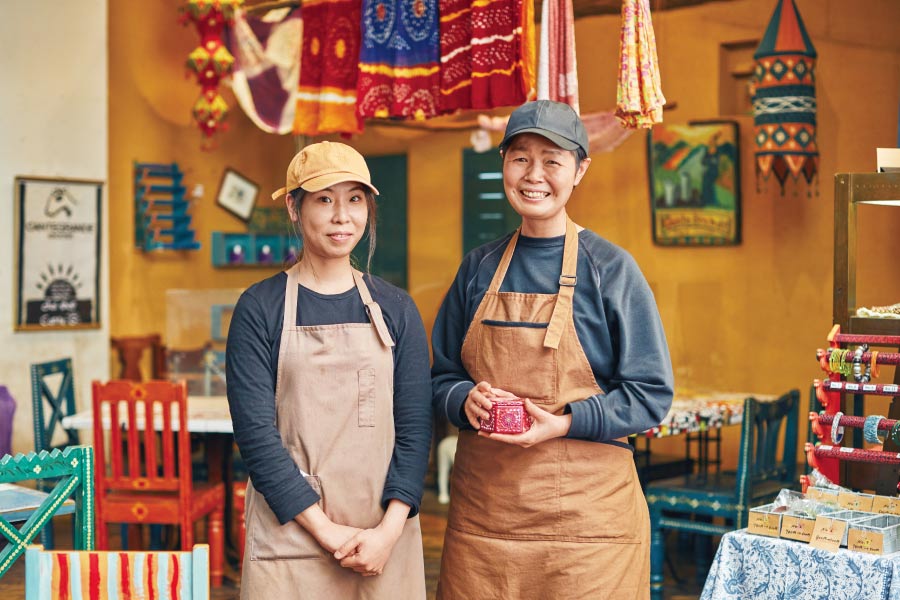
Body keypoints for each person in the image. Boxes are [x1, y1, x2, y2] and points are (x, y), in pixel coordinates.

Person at [431, 100, 674, 599]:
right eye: (520, 158)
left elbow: (651, 394)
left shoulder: (611, 268)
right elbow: (440, 376)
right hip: (487, 523)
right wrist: (462, 400)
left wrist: (563, 423)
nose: (534, 175)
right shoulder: (478, 267)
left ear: (580, 170)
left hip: (588, 531)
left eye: (552, 160)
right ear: (503, 165)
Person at [226, 141, 431, 599]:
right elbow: (257, 439)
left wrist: (387, 530)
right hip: (292, 535)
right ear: (295, 209)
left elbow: (416, 429)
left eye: (354, 199)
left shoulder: (397, 308)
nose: (342, 216)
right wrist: (326, 531)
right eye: (324, 199)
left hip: (384, 535)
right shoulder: (260, 308)